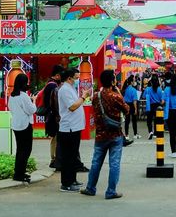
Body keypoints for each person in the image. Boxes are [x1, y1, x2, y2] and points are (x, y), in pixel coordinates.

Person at [80, 70, 129, 199]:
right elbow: (127, 109)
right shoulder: (116, 96)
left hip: (100, 134)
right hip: (115, 134)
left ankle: (90, 188)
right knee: (114, 163)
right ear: (113, 81)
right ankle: (111, 191)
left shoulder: (96, 96)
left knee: (96, 162)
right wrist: (118, 92)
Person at [57, 68, 90, 192]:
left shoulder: (70, 88)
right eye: (76, 78)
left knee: (73, 156)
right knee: (68, 157)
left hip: (75, 127)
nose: (78, 80)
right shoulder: (64, 90)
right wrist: (83, 97)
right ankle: (66, 183)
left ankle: (73, 179)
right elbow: (72, 107)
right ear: (69, 78)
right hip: (68, 128)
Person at [8, 73, 36, 183]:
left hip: (16, 125)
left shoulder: (12, 96)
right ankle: (19, 174)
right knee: (26, 150)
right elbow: (32, 110)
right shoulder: (24, 96)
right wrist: (33, 100)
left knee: (20, 150)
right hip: (25, 125)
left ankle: (19, 172)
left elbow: (11, 109)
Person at [44, 65, 64, 169]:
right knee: (55, 138)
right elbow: (55, 103)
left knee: (54, 138)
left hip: (51, 115)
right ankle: (54, 159)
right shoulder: (53, 86)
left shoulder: (50, 84)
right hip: (53, 116)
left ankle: (54, 159)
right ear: (57, 75)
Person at [142, 74, 164, 140]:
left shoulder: (148, 89)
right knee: (156, 120)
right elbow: (162, 100)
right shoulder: (160, 90)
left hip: (150, 106)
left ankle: (150, 131)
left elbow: (143, 96)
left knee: (149, 120)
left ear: (151, 82)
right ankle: (155, 133)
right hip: (158, 106)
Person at [121, 75, 140, 139]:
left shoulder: (124, 89)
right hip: (132, 105)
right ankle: (135, 134)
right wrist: (136, 109)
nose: (134, 82)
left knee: (127, 120)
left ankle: (126, 135)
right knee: (134, 120)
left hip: (126, 105)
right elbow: (135, 101)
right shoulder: (133, 90)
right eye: (134, 81)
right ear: (131, 82)